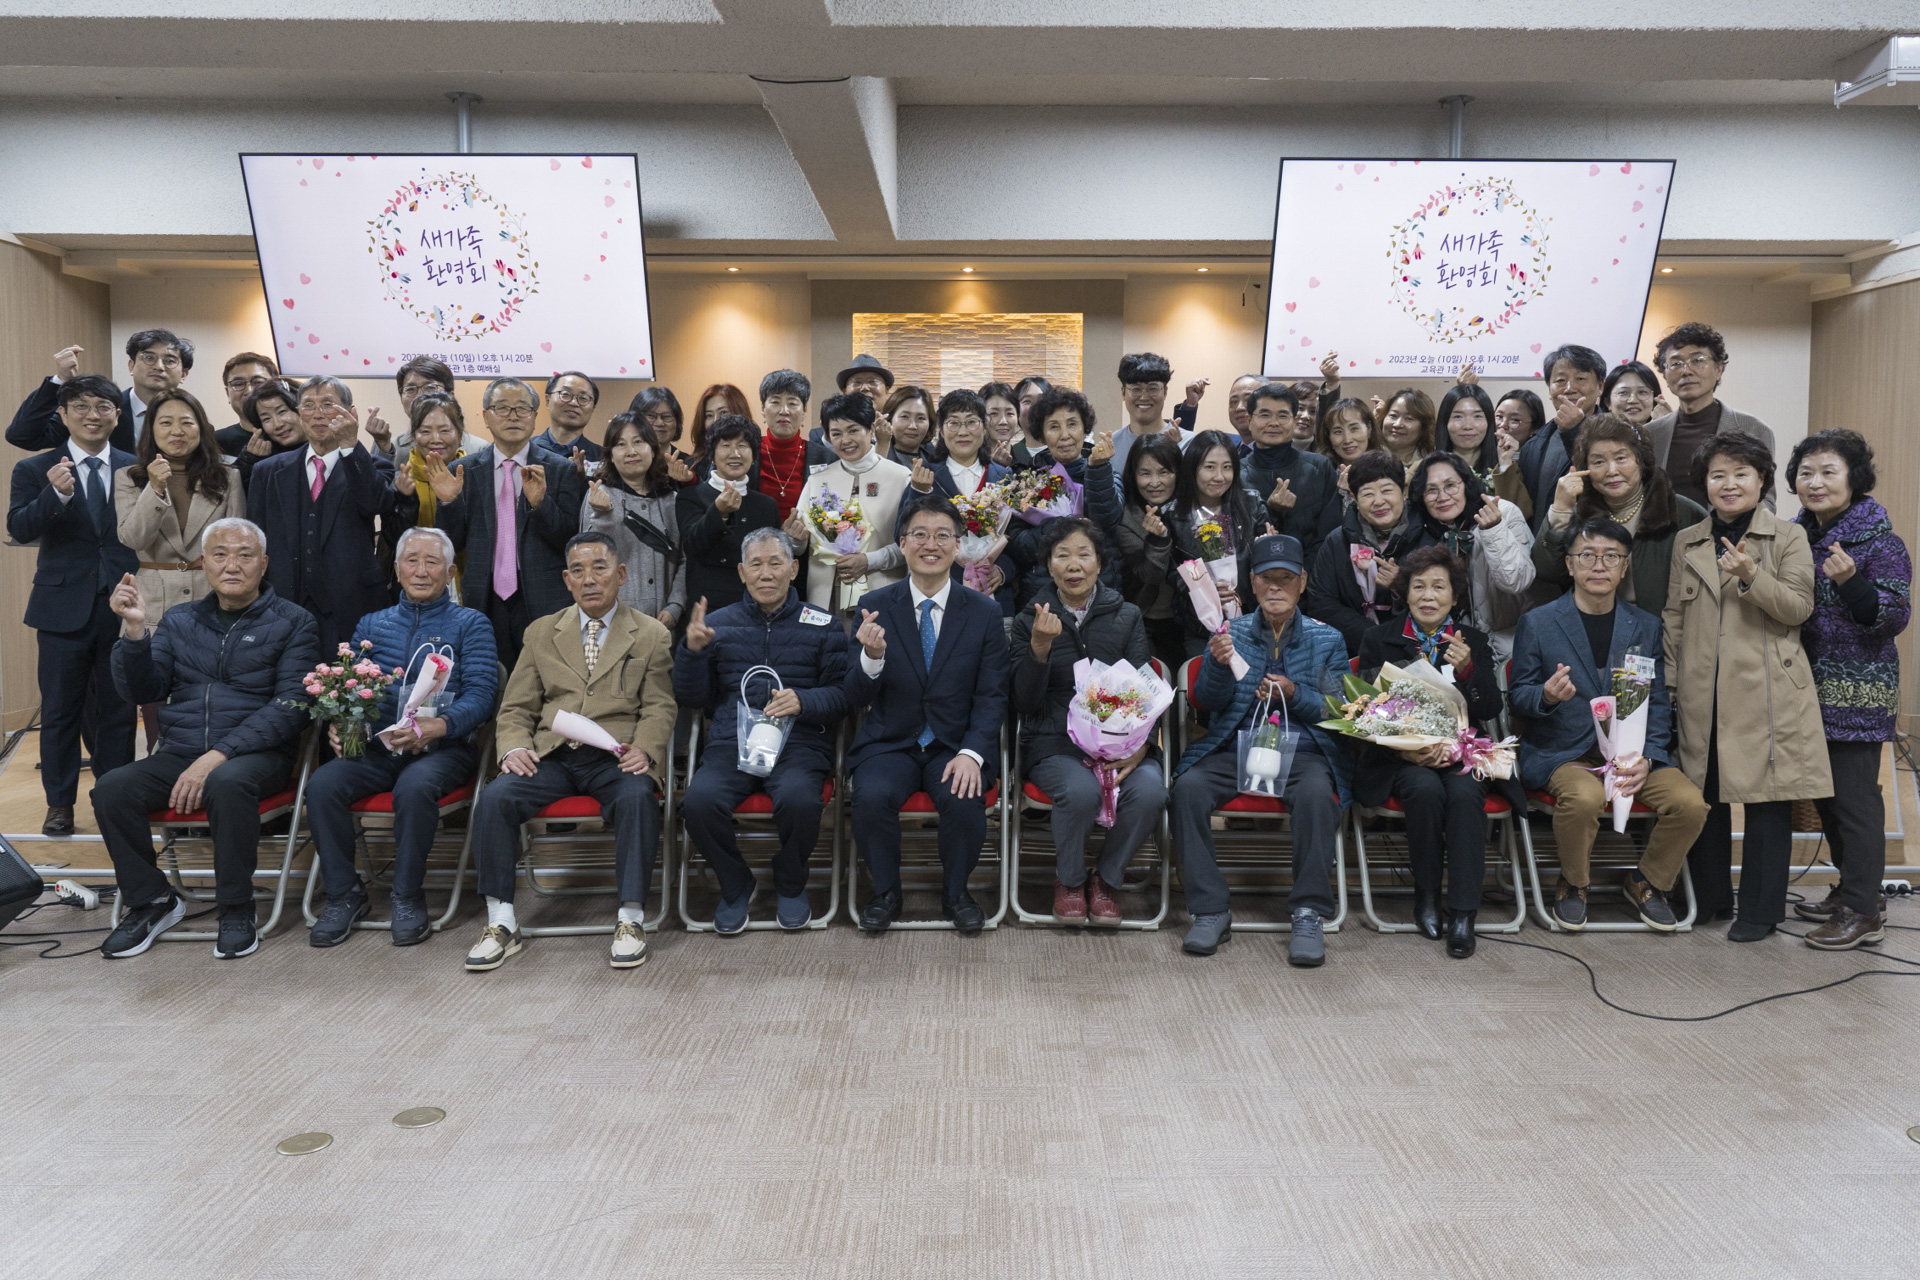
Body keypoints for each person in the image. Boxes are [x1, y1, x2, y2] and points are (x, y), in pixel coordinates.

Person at [94, 518, 317, 958]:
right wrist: (135, 632)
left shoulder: (294, 622)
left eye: (245, 555)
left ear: (263, 564)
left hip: (258, 756)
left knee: (226, 782)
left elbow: (292, 706)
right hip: (181, 751)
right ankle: (152, 901)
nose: (232, 565)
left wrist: (218, 754)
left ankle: (236, 907)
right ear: (203, 563)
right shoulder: (179, 620)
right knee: (112, 789)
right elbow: (143, 691)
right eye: (220, 554)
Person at [465, 531, 675, 972]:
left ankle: (631, 919)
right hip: (552, 755)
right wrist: (514, 747)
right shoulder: (542, 632)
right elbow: (516, 707)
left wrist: (646, 749)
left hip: (615, 756)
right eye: (578, 571)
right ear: (566, 580)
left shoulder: (651, 633)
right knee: (496, 797)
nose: (589, 579)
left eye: (599, 568)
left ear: (621, 574)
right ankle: (501, 922)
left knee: (638, 797)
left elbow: (659, 705)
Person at [1664, 431, 1828, 941]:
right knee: (1704, 796)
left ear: (1761, 481)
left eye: (1741, 474)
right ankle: (1709, 898)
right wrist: (1670, 683)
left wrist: (1751, 574)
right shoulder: (1688, 540)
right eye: (1718, 475)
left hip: (1767, 690)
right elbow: (1673, 617)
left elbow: (1799, 608)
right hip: (1701, 690)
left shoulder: (1789, 536)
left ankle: (1760, 912)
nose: (1729, 484)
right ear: (1705, 484)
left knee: (1767, 803)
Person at [304, 526, 499, 948]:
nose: (421, 571)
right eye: (412, 561)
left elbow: (483, 695)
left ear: (450, 572)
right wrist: (340, 723)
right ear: (396, 570)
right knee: (321, 785)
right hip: (377, 748)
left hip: (443, 750)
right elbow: (350, 685)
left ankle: (407, 895)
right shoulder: (372, 624)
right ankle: (344, 893)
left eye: (432, 562)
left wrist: (441, 726)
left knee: (414, 788)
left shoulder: (471, 624)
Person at [1510, 517, 1707, 930]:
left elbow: (1656, 702)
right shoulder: (1539, 623)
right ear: (1569, 565)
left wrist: (1649, 758)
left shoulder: (1646, 626)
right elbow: (1519, 697)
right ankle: (1574, 883)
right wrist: (1546, 695)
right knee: (1584, 798)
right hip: (1564, 751)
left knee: (1690, 804)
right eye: (1587, 555)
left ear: (1624, 566)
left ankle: (1647, 881)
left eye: (1611, 557)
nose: (1599, 566)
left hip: (1630, 752)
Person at [1168, 533, 1348, 965]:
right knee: (1188, 788)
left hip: (1304, 753)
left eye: (1285, 579)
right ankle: (1210, 909)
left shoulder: (1328, 639)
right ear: (1251, 582)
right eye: (1266, 578)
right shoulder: (1229, 631)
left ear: (1302, 582)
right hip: (1235, 746)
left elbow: (1340, 709)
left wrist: (1294, 693)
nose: (1275, 587)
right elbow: (1206, 702)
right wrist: (1216, 664)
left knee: (1317, 795)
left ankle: (1308, 912)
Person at [844, 499, 1010, 934]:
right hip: (891, 741)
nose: (930, 544)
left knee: (964, 797)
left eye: (942, 536)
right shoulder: (874, 604)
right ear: (902, 544)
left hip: (954, 743)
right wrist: (871, 657)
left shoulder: (985, 612)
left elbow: (992, 695)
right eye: (919, 534)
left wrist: (973, 753)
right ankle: (886, 893)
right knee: (871, 796)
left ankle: (957, 894)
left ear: (958, 546)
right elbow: (854, 693)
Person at [674, 530, 849, 933]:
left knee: (800, 800)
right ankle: (735, 883)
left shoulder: (823, 625)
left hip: (799, 742)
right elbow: (692, 697)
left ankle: (790, 880)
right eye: (756, 564)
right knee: (698, 802)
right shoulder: (716, 625)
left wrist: (804, 700)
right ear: (741, 572)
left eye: (775, 563)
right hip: (730, 744)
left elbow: (843, 696)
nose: (766, 574)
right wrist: (693, 652)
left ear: (794, 569)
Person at [1786, 430, 1912, 949]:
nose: (1815, 483)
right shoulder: (1796, 536)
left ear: (1854, 479)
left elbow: (1894, 617)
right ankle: (1855, 891)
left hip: (1858, 691)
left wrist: (1852, 583)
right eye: (1806, 473)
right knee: (1826, 797)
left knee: (1855, 800)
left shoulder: (1881, 542)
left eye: (1828, 472)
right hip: (1805, 687)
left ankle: (1863, 910)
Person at [1009, 518, 1168, 925]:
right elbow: (1023, 701)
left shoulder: (1126, 615)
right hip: (1053, 742)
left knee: (1151, 790)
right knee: (1079, 791)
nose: (1074, 564)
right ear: (1049, 566)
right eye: (1062, 555)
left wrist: (1141, 747)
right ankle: (1069, 880)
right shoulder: (1029, 619)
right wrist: (1039, 649)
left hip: (1122, 742)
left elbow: (1144, 690)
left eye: (1084, 554)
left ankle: (1107, 879)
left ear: (1100, 562)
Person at [1352, 546, 1506, 957]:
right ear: (1405, 593)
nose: (1428, 596)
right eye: (1419, 586)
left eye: (1439, 587)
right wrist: (1408, 751)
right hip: (1401, 756)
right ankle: (1426, 896)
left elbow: (1490, 709)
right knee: (1423, 789)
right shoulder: (1379, 639)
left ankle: (1464, 912)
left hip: (1462, 753)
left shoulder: (1472, 640)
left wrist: (1469, 670)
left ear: (1454, 596)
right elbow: (1366, 712)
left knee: (1464, 793)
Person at [7, 374, 141, 835]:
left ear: (117, 415)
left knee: (119, 711)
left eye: (102, 407)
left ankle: (113, 797)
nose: (92, 415)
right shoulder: (34, 468)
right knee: (60, 711)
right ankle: (59, 804)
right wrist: (56, 495)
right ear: (62, 415)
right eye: (80, 406)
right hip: (61, 607)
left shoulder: (136, 467)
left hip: (123, 604)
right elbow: (19, 527)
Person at [112, 387, 246, 745]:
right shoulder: (130, 476)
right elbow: (133, 538)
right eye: (166, 423)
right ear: (151, 430)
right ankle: (163, 764)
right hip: (154, 598)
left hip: (212, 597)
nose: (177, 431)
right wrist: (155, 488)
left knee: (215, 697)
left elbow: (237, 542)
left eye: (187, 422)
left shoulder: (227, 476)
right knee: (154, 697)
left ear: (201, 428)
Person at [249, 376, 416, 657]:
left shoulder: (372, 466)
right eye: (308, 405)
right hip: (285, 604)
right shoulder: (267, 471)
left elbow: (375, 503)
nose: (317, 414)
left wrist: (350, 445)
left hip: (352, 603)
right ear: (299, 413)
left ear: (350, 413)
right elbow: (257, 540)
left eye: (328, 404)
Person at [436, 377, 582, 672]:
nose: (513, 416)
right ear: (486, 416)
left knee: (545, 678)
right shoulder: (463, 470)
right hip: (485, 595)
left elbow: (569, 540)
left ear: (535, 416)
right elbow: (452, 543)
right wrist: (449, 503)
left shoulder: (561, 469)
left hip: (543, 597)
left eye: (522, 408)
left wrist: (540, 505)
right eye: (502, 408)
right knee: (487, 677)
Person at [1531, 415, 1704, 616]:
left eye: (1621, 458)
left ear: (1641, 460)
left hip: (1664, 623)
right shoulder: (1581, 512)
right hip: (1599, 620)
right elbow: (1547, 571)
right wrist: (1560, 509)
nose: (1611, 471)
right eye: (1598, 462)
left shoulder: (1681, 511)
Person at [787, 393, 911, 613]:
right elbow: (801, 547)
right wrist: (796, 539)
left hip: (883, 595)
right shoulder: (817, 481)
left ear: (871, 429)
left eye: (853, 430)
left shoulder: (900, 477)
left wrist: (869, 560)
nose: (845, 440)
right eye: (836, 433)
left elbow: (911, 543)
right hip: (826, 598)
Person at [1405, 452, 1534, 660]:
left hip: (1514, 644)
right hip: (1458, 647)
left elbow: (1515, 582)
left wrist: (1493, 530)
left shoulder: (1502, 512)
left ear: (1466, 484)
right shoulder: (1423, 528)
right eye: (1431, 490)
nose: (1442, 497)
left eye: (1450, 485)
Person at [1006, 387, 1124, 608]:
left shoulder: (1106, 473)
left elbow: (1108, 521)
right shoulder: (1026, 482)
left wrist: (1097, 469)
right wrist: (1059, 525)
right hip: (1042, 595)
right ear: (1042, 433)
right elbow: (1018, 544)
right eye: (1054, 427)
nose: (1064, 435)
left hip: (1100, 593)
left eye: (1072, 424)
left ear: (1084, 429)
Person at [1304, 450, 1426, 656]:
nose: (1378, 501)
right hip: (1351, 651)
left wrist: (1401, 587)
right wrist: (1373, 637)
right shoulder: (1337, 541)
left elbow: (1440, 600)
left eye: (1387, 490)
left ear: (1403, 490)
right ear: (1354, 498)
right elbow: (1321, 603)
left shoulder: (1427, 538)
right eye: (1367, 494)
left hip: (1415, 651)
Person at [901, 389, 1013, 609]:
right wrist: (918, 491)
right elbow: (901, 533)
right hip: (936, 593)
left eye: (971, 422)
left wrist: (1003, 570)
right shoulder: (925, 476)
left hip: (995, 592)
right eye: (953, 423)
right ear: (941, 431)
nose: (963, 431)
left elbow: (1017, 537)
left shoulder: (1004, 477)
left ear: (984, 427)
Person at [1646, 323, 1777, 510]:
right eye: (1676, 363)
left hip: (1729, 529)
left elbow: (1767, 501)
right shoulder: (1650, 434)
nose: (1686, 371)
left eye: (1698, 360)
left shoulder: (1753, 429)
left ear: (1719, 369)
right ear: (1665, 376)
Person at [8, 330, 190, 454]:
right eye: (149, 358)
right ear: (131, 366)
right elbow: (23, 436)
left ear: (183, 374)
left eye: (170, 360)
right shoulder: (99, 412)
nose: (159, 366)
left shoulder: (193, 418)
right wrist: (61, 380)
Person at [582, 411, 686, 630]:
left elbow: (685, 560)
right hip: (613, 621)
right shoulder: (598, 494)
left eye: (638, 442)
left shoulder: (672, 499)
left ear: (653, 449)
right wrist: (602, 514)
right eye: (621, 444)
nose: (631, 451)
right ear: (611, 455)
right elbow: (588, 561)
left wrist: (675, 606)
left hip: (664, 623)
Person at [1165, 429, 1264, 651]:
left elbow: (1263, 565)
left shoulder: (1252, 504)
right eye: (1210, 467)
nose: (1219, 477)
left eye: (1227, 467)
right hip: (1199, 625)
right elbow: (1171, 571)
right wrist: (1205, 589)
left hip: (1251, 620)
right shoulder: (1174, 515)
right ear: (1193, 468)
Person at [678, 414, 780, 614]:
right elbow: (692, 545)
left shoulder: (767, 505)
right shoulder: (691, 496)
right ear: (712, 455)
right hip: (708, 607)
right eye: (725, 446)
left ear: (753, 455)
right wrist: (718, 512)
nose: (735, 453)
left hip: (757, 606)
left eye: (743, 446)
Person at [1112, 434, 1184, 668]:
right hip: (1145, 620)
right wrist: (1158, 540)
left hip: (1189, 619)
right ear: (1133, 476)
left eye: (1164, 472)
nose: (1155, 482)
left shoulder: (1192, 511)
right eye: (1145, 473)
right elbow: (1150, 575)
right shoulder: (1126, 518)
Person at [1518, 343, 1606, 525]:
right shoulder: (1533, 444)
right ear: (1549, 390)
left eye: (1580, 379)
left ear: (1600, 387)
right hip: (1542, 539)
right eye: (1560, 380)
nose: (1570, 388)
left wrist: (1574, 430)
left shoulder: (1618, 435)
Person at [1239, 384, 1339, 544]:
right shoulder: (1236, 474)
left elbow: (1331, 534)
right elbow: (1235, 538)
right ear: (1249, 421)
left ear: (1294, 421)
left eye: (1283, 416)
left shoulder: (1319, 467)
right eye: (1265, 415)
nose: (1273, 423)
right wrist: (1271, 510)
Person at [366, 357, 485, 465]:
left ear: (450, 397)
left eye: (430, 388)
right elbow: (377, 480)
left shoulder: (478, 448)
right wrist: (383, 445)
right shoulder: (389, 447)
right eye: (411, 389)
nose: (420, 396)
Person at [392, 391, 472, 552]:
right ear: (413, 436)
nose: (436, 439)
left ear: (460, 433)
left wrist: (450, 502)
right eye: (425, 431)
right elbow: (393, 541)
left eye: (445, 430)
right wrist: (406, 500)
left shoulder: (474, 476)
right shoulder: (401, 480)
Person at [760, 369, 835, 519]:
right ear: (763, 409)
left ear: (804, 410)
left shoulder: (826, 458)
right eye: (775, 402)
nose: (784, 411)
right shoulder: (748, 453)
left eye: (792, 403)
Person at [1108, 352, 1185, 482]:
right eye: (1136, 389)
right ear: (1123, 393)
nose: (1144, 397)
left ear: (1165, 392)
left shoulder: (1186, 443)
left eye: (1153, 389)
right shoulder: (1111, 445)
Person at [232, 379, 306, 494]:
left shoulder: (329, 446)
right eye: (266, 419)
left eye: (282, 412)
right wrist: (249, 462)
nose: (278, 425)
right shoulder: (260, 458)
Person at [1486, 388, 1544, 521]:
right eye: (1499, 416)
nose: (1503, 425)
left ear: (1534, 428)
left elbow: (1519, 513)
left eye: (1515, 420)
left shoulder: (1538, 464)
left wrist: (1506, 461)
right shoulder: (1482, 451)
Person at [210, 352, 279, 453]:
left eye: (258, 382)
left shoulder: (294, 434)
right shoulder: (215, 443)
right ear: (227, 394)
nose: (249, 391)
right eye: (238, 384)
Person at [629, 386, 697, 486]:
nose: (660, 423)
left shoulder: (690, 464)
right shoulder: (627, 460)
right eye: (651, 416)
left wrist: (688, 480)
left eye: (666, 417)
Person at [533, 371, 604, 467]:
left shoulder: (602, 458)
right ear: (548, 400)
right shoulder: (525, 450)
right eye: (565, 394)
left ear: (593, 409)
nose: (574, 403)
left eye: (583, 398)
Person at [1313, 395, 1380, 494]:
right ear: (1329, 437)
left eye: (1354, 429)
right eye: (1338, 432)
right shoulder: (1319, 474)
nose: (1347, 440)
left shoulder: (1389, 470)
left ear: (1369, 429)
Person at [1435, 381, 1499, 475]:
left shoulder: (1503, 469)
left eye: (1477, 416)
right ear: (1445, 422)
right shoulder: (1425, 469)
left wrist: (1505, 464)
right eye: (1458, 417)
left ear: (1489, 421)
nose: (1468, 426)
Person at [689, 383, 755, 468]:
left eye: (723, 413)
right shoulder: (692, 467)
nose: (715, 421)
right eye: (709, 415)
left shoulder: (761, 458)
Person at [1377, 388, 1436, 473]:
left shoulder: (1432, 463)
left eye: (1409, 418)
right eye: (1393, 415)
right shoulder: (1367, 455)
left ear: (1424, 426)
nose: (1397, 424)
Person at [879, 384, 937, 466]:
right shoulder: (872, 454)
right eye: (905, 417)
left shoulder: (937, 461)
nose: (912, 426)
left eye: (920, 418)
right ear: (889, 419)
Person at [1600, 360, 1670, 428]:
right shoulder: (1595, 434)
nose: (1633, 400)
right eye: (1623, 393)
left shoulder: (1669, 430)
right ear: (1607, 402)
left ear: (1656, 399)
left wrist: (1667, 427)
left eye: (1642, 392)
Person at [1010, 375, 1051, 468]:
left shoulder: (1065, 451)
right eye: (1027, 401)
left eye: (1041, 400)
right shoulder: (1009, 457)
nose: (1035, 406)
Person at [980, 380, 1021, 467]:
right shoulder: (971, 463)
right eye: (994, 413)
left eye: (1009, 413)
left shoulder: (1029, 463)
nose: (1003, 421)